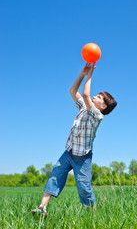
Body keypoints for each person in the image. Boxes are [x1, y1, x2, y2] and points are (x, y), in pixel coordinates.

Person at [31, 63, 117, 217]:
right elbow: (73, 91)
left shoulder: (97, 116)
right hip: (69, 152)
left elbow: (84, 94)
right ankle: (42, 208)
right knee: (54, 177)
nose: (93, 96)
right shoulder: (84, 107)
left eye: (98, 97)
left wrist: (90, 74)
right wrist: (82, 74)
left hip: (83, 158)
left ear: (103, 106)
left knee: (84, 188)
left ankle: (92, 215)